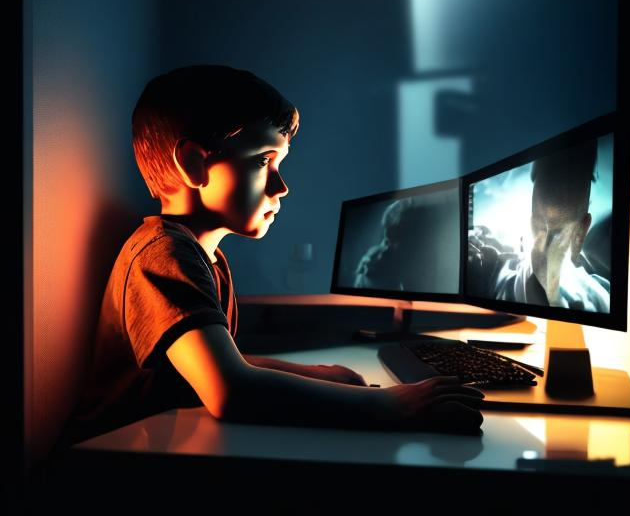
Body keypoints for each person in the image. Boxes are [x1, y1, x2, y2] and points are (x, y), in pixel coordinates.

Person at [63, 65, 483, 445]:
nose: (281, 186)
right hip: (115, 470)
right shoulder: (164, 255)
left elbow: (216, 362)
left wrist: (312, 374)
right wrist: (396, 406)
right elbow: (230, 390)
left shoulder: (204, 257)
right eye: (264, 160)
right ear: (194, 164)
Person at [468, 140, 609, 312]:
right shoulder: (497, 268)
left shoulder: (595, 297)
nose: (543, 248)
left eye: (558, 233)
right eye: (540, 225)